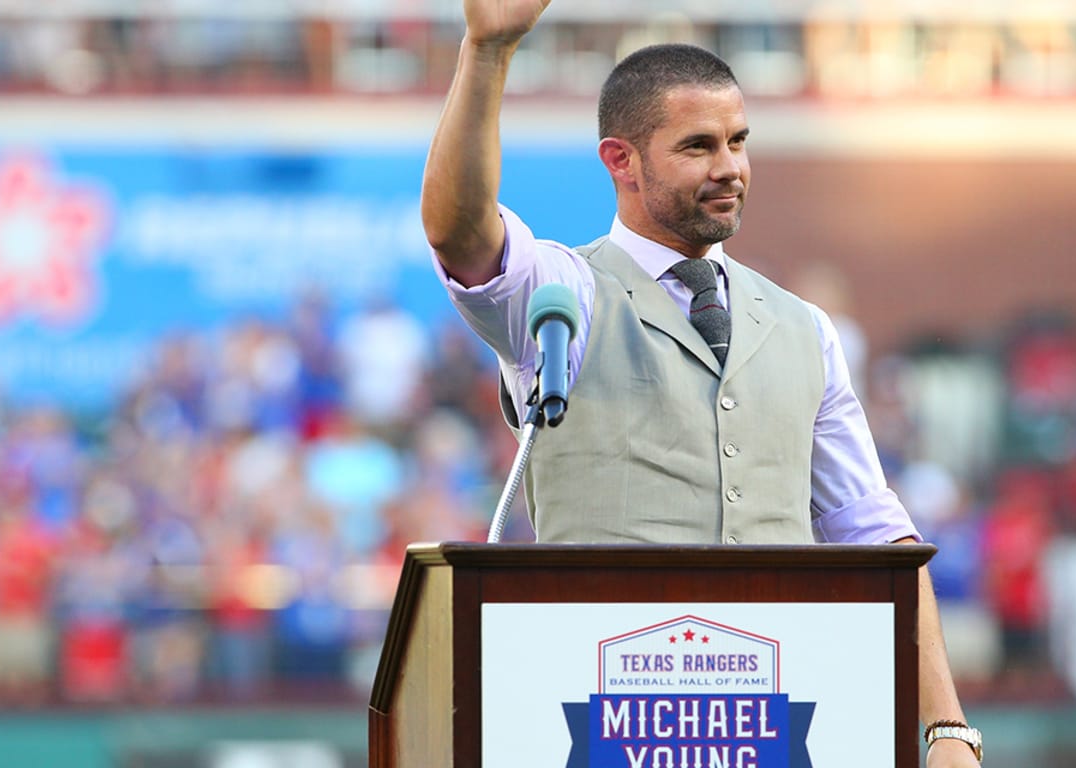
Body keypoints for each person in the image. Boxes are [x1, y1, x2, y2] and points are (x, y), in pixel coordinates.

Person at [420, 2, 982, 765]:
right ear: (621, 160)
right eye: (698, 146)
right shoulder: (564, 293)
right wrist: (487, 51)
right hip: (600, 718)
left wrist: (947, 730)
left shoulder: (807, 329)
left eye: (739, 142)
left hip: (783, 725)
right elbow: (459, 230)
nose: (731, 167)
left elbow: (877, 537)